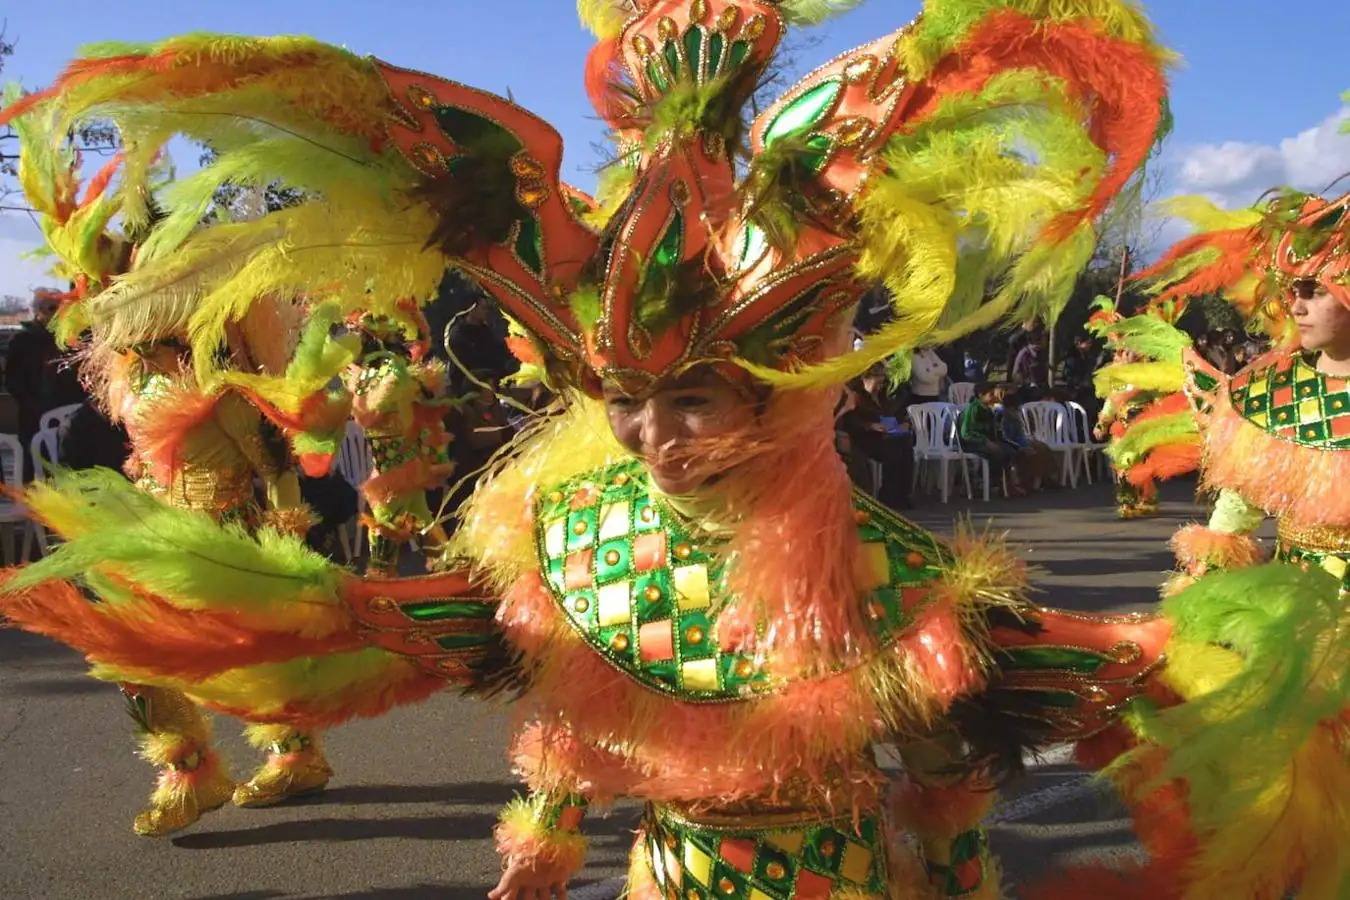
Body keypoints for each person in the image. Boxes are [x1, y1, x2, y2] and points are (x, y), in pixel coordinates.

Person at [0, 5, 1225, 898]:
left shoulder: (893, 585)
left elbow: (949, 781)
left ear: (786, 396)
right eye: (622, 399)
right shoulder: (571, 544)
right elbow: (567, 729)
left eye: (692, 401)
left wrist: (956, 878)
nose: (650, 439)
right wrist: (533, 858)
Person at [1094, 186, 1350, 896]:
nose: (1294, 305)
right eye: (1290, 289)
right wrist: (1201, 599)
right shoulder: (1269, 390)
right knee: (1288, 798)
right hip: (1291, 626)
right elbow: (1236, 509)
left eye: (1313, 290)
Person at [4, 288, 85, 478]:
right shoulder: (23, 340)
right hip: (35, 415)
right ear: (38, 311)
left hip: (70, 413)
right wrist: (34, 405)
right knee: (35, 470)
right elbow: (14, 381)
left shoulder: (71, 339)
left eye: (61, 309)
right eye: (51, 308)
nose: (57, 314)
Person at [958, 382, 1023, 496]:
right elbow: (966, 433)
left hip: (987, 442)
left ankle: (1008, 485)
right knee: (997, 452)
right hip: (972, 443)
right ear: (980, 395)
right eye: (991, 394)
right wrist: (985, 441)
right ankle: (985, 483)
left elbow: (995, 431)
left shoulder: (990, 410)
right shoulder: (973, 409)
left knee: (1011, 450)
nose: (994, 396)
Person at [999, 390, 1057, 491]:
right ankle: (1029, 482)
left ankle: (1044, 479)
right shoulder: (1000, 418)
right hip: (1005, 444)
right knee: (1025, 452)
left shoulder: (1015, 418)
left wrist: (1026, 445)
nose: (1016, 412)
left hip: (1017, 442)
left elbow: (1020, 435)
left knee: (1041, 447)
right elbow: (1003, 438)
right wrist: (1021, 447)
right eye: (1014, 409)